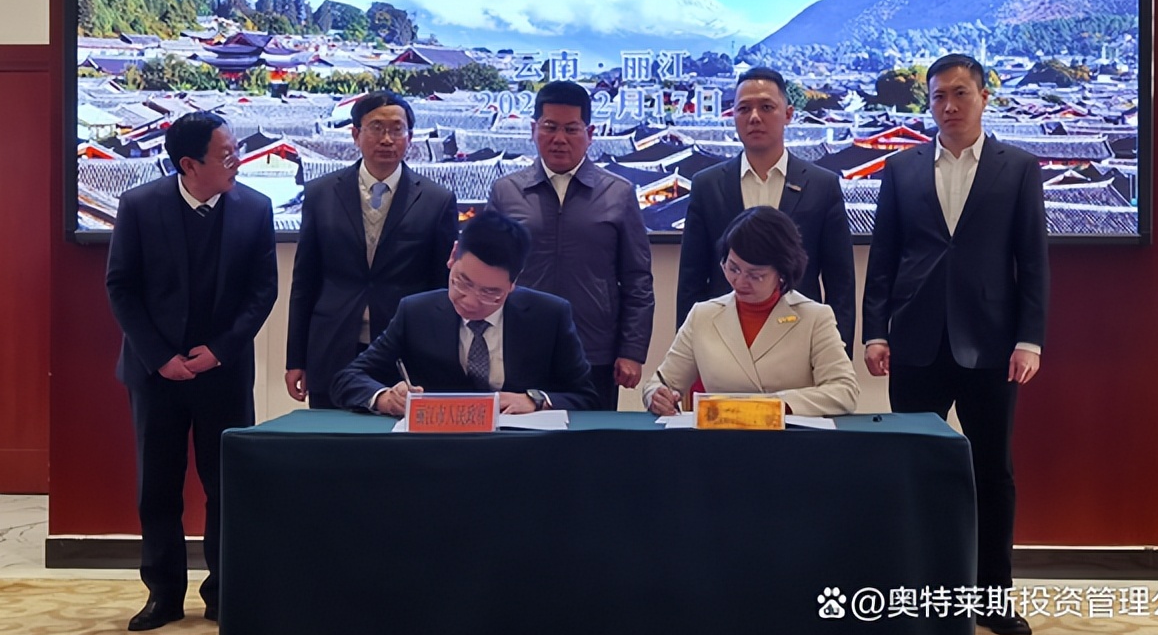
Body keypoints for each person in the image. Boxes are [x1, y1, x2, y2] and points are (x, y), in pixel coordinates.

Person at [862, 53, 1048, 635]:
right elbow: (884, 258)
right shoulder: (902, 168)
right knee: (912, 469)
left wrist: (1030, 340)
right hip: (915, 341)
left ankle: (994, 597)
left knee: (993, 472)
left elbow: (1032, 263)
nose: (948, 106)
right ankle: (917, 593)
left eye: (960, 93)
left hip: (992, 345)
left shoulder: (1019, 168)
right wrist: (875, 331)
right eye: (938, 95)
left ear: (984, 96)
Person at [106, 112, 277, 631]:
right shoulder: (140, 205)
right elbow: (121, 287)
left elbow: (262, 292)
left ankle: (224, 594)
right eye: (226, 155)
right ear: (188, 164)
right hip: (156, 374)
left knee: (227, 488)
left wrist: (219, 351)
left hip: (222, 373)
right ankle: (163, 595)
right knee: (158, 489)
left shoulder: (255, 207)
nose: (238, 161)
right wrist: (160, 356)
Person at [487, 80, 654, 410]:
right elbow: (488, 274)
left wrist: (632, 351)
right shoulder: (506, 192)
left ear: (589, 133)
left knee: (591, 438)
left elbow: (638, 280)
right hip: (519, 346)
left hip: (594, 350)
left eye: (571, 129)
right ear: (534, 129)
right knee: (519, 437)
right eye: (550, 127)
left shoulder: (618, 193)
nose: (559, 138)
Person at [331, 209, 597, 414]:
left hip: (520, 451)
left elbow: (586, 396)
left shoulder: (549, 315)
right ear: (453, 256)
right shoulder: (415, 312)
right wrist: (386, 398)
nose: (470, 301)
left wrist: (536, 400)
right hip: (438, 450)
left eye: (490, 293)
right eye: (462, 282)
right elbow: (348, 378)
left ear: (513, 283)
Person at [286, 91, 457, 408]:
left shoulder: (437, 200)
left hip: (404, 349)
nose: (387, 139)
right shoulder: (321, 193)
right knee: (328, 435)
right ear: (356, 134)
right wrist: (296, 358)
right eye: (376, 128)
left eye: (397, 129)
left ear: (410, 137)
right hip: (332, 343)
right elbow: (305, 281)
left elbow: (441, 289)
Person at [675, 67, 856, 353]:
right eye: (744, 108)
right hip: (724, 343)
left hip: (800, 340)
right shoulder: (707, 185)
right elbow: (691, 279)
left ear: (788, 114)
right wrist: (689, 352)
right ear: (733, 116)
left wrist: (837, 353)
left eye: (767, 107)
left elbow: (840, 283)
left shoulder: (822, 186)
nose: (755, 117)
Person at [645, 207, 858, 417]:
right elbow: (661, 382)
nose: (740, 281)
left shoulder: (814, 318)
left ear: (782, 273)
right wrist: (657, 396)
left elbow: (844, 391)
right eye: (733, 268)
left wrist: (775, 406)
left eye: (755, 276)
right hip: (720, 436)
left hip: (788, 435)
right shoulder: (703, 315)